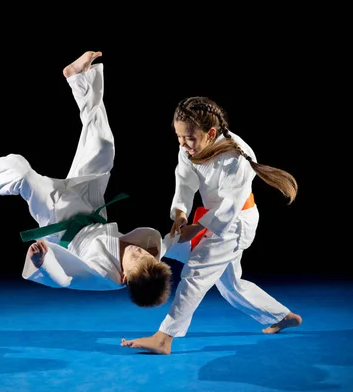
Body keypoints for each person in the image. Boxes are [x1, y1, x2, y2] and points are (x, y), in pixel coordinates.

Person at [0, 51, 172, 308]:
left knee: (22, 171)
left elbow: (66, 280)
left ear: (123, 277)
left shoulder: (103, 275)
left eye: (138, 258)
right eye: (148, 257)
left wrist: (43, 264)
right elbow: (173, 243)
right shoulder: (152, 254)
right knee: (103, 147)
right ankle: (79, 78)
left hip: (61, 223)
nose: (140, 252)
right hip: (90, 209)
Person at [121, 96, 302, 353]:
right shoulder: (189, 147)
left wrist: (199, 227)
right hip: (210, 220)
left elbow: (231, 204)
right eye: (179, 137)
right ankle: (281, 316)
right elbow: (184, 180)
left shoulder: (237, 155)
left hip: (234, 223)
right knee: (230, 284)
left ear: (211, 133)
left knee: (195, 273)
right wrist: (181, 212)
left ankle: (164, 338)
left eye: (189, 138)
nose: (183, 144)